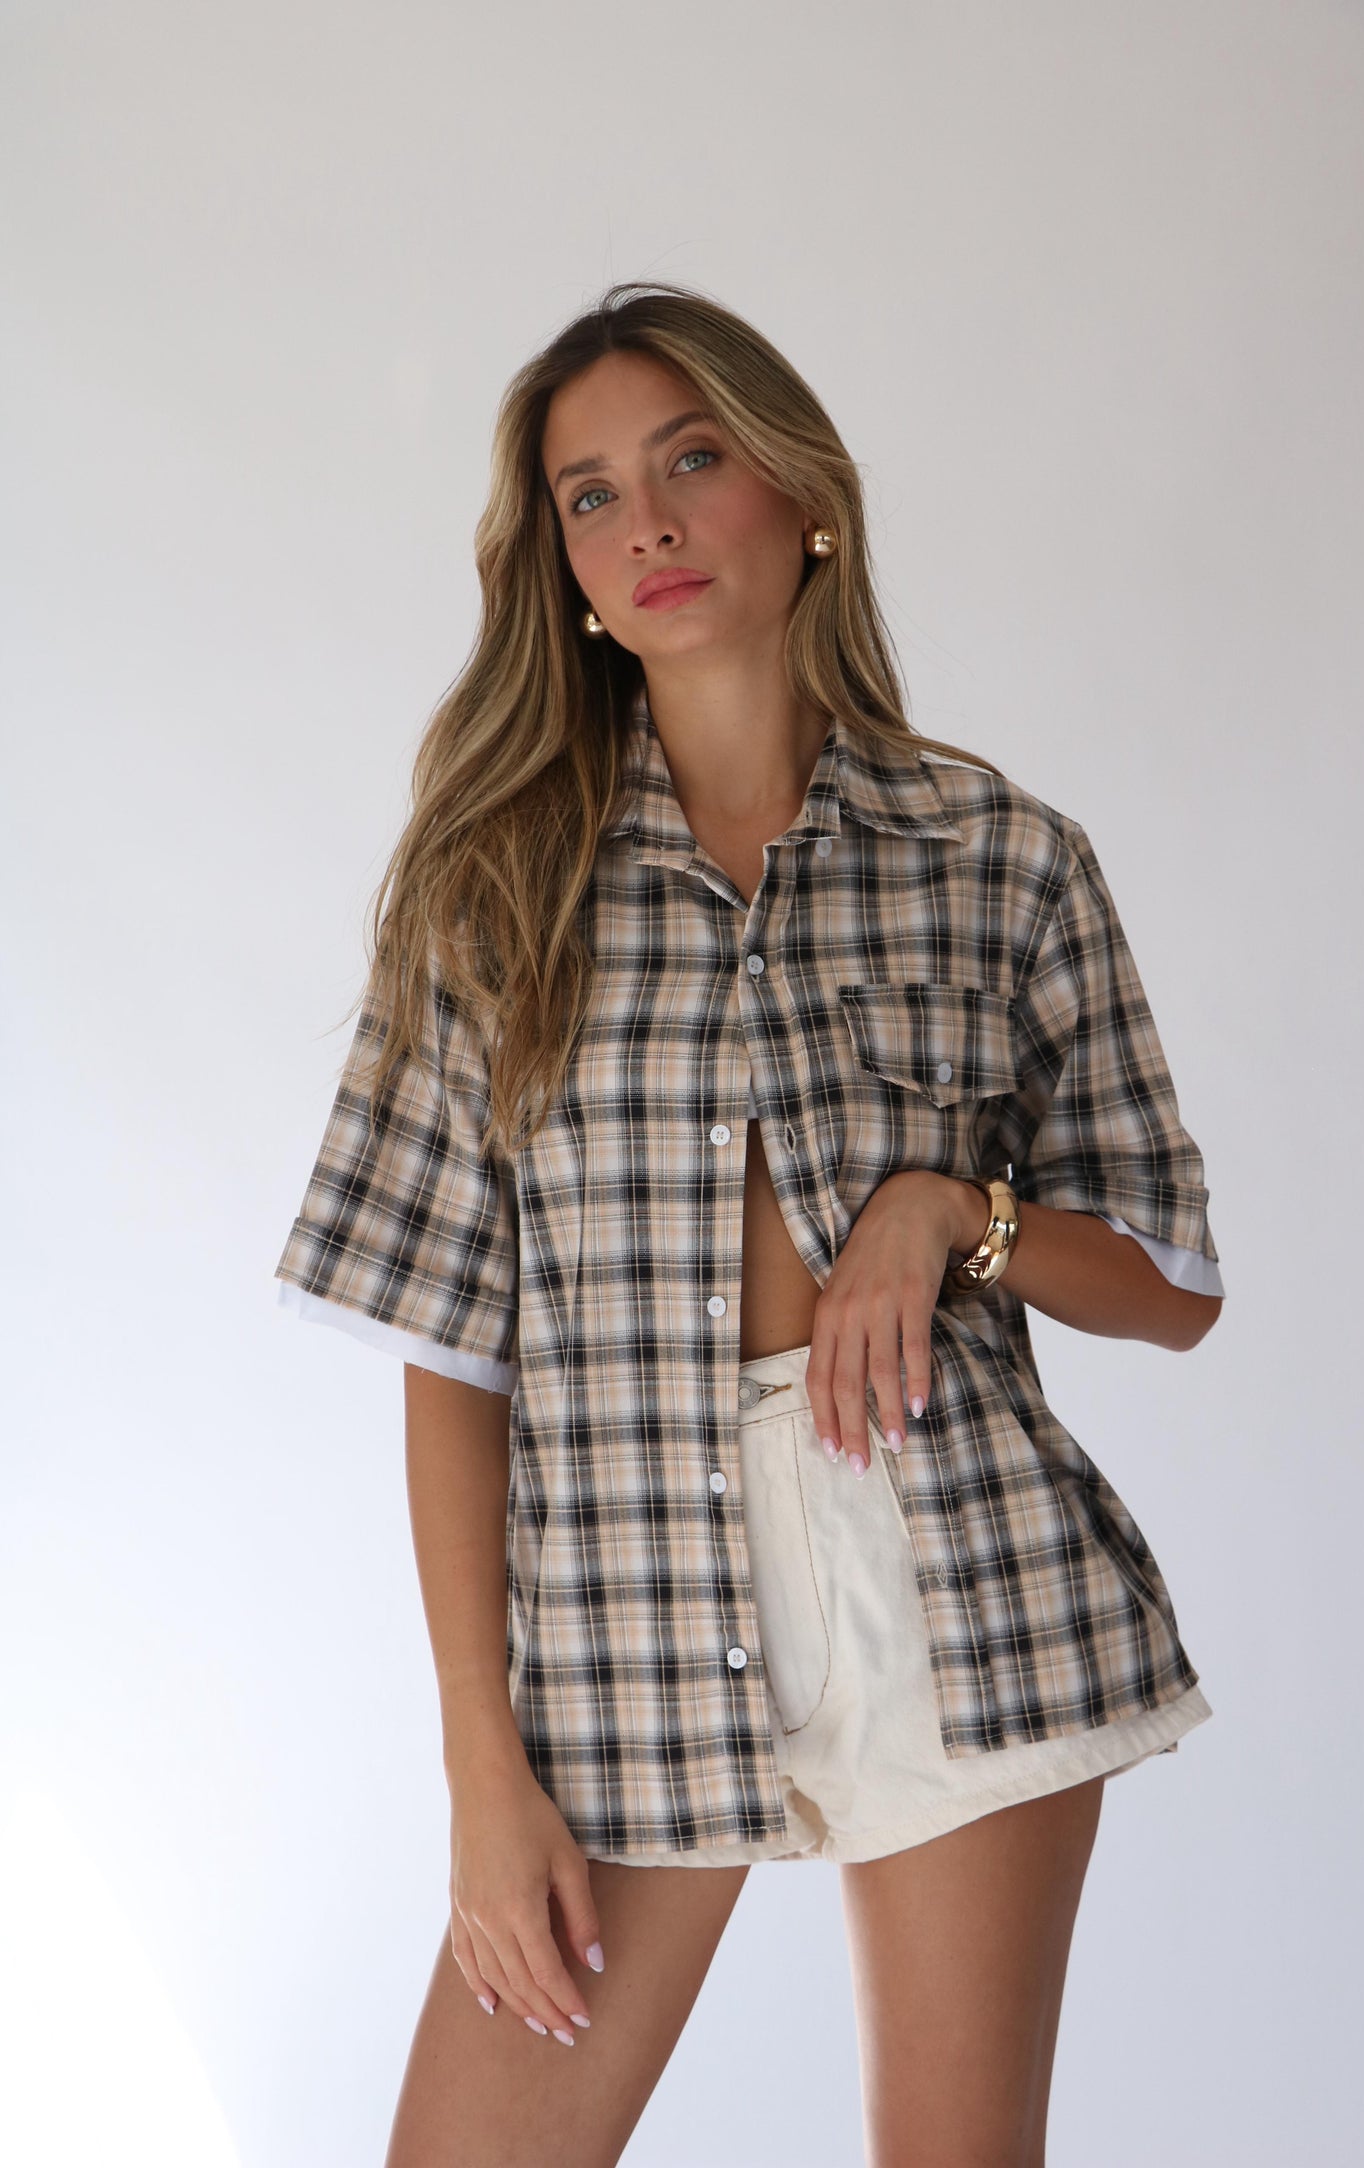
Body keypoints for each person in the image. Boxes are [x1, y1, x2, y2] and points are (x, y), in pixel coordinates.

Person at [274, 280, 1225, 2168]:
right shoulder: (496, 891)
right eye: (590, 496)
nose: (647, 523)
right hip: (623, 1618)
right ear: (564, 571)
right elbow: (450, 1353)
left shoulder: (999, 856)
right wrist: (481, 1769)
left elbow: (1170, 1285)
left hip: (964, 1592)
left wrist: (951, 1214)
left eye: (691, 459)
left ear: (803, 496)